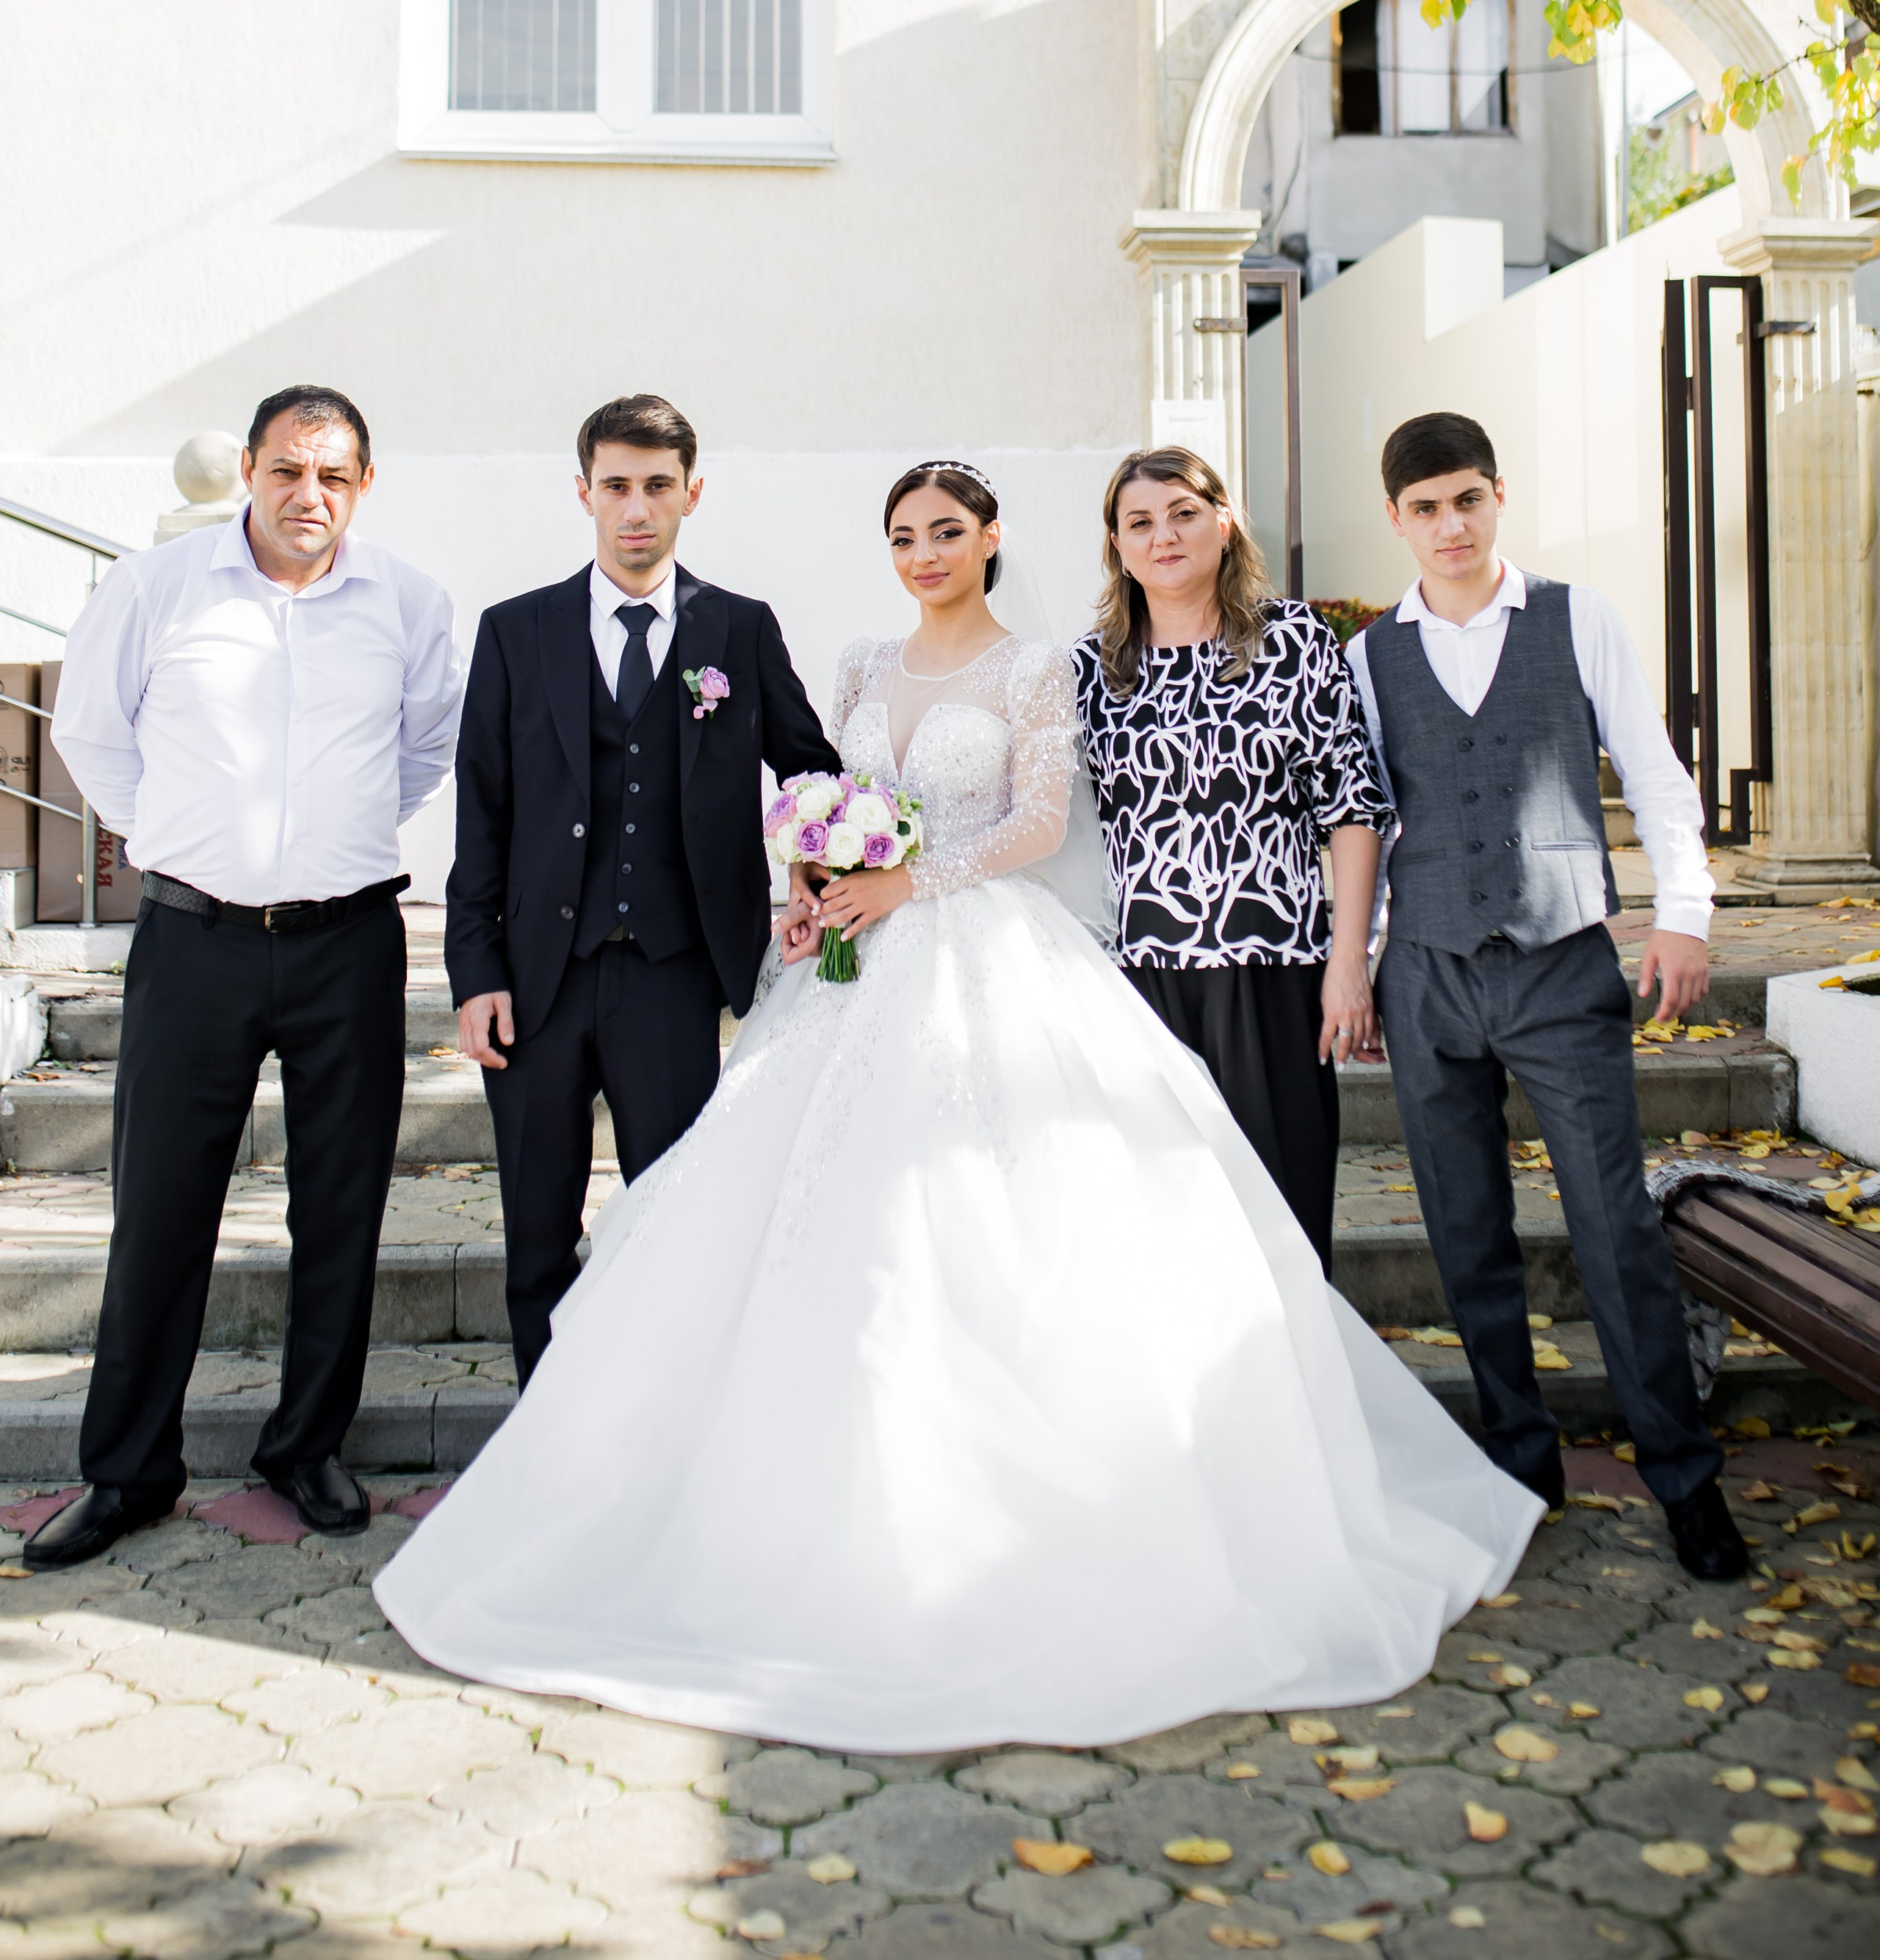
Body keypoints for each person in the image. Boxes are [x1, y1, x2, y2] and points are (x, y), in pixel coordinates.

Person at [375, 457, 1539, 1749]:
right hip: (849, 974)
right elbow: (819, 798)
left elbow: (1039, 823)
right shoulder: (861, 666)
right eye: (903, 536)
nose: (924, 553)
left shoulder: (1040, 669)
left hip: (988, 955)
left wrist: (906, 885)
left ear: (991, 539)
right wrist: (815, 886)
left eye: (946, 531)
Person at [26, 386, 462, 1568]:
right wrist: (177, 836)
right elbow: (90, 733)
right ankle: (126, 1473)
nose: (309, 494)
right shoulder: (154, 589)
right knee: (160, 1209)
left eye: (333, 475)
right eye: (287, 470)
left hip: (348, 942)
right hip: (195, 942)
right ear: (250, 473)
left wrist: (326, 845)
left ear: (363, 486)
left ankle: (305, 1447)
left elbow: (423, 749)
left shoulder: (411, 605)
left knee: (341, 1208)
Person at [1348, 410, 1746, 1583]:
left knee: (1614, 1226)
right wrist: (1358, 959)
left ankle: (1685, 1477)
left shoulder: (1578, 617)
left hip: (1562, 964)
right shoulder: (1369, 657)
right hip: (1426, 972)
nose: (1451, 526)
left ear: (1498, 496)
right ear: (1397, 519)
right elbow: (1365, 821)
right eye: (1427, 509)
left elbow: (1656, 775)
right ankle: (1522, 1468)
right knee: (1466, 1233)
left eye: (1467, 499)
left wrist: (1685, 911)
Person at [446, 392, 841, 1386]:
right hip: (534, 979)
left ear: (691, 495)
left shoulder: (739, 629)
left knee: (674, 1221)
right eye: (616, 485)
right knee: (537, 1231)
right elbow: (481, 815)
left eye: (658, 486)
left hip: (674, 974)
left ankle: (656, 1423)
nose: (636, 508)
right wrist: (475, 971)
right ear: (583, 492)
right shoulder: (515, 631)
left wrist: (813, 868)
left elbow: (810, 772)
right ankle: (547, 1428)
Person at [1073, 446, 1391, 1276]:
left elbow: (1353, 808)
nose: (1164, 536)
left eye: (1184, 513)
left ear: (1224, 523)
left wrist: (1348, 963)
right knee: (1166, 1228)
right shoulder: (1091, 671)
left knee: (1282, 1215)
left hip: (1272, 968)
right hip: (1139, 982)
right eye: (1140, 522)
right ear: (1118, 546)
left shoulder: (1292, 643)